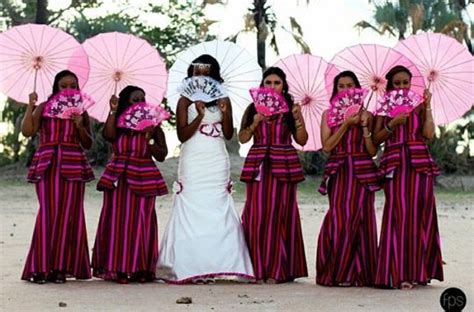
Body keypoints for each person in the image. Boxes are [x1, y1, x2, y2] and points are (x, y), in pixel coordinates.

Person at [157, 54, 254, 283]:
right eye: (197, 72)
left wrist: (226, 111)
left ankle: (221, 263)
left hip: (216, 157)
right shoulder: (184, 100)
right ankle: (190, 264)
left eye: (206, 72)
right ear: (191, 74)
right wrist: (199, 114)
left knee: (217, 204)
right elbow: (182, 135)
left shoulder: (223, 98)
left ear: (213, 75)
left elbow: (229, 134)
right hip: (193, 156)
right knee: (191, 201)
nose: (201, 76)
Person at [21, 70, 95, 284]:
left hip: (74, 163)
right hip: (48, 162)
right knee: (47, 213)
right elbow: (28, 131)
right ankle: (40, 268)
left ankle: (60, 268)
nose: (68, 89)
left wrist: (80, 125)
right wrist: (30, 106)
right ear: (56, 87)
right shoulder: (44, 107)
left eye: (73, 85)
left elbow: (88, 143)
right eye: (64, 85)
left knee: (69, 215)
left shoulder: (81, 111)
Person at [373, 65, 443, 289]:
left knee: (421, 213)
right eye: (397, 83)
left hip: (420, 162)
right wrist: (392, 125)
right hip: (394, 160)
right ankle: (397, 272)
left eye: (406, 83)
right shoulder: (383, 107)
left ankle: (418, 272)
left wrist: (428, 107)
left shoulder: (419, 104)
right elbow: (375, 139)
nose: (402, 87)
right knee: (398, 212)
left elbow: (429, 134)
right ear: (390, 85)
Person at [92, 86, 168, 284]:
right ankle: (117, 268)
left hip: (145, 175)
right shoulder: (118, 124)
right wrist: (113, 110)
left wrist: (149, 137)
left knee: (142, 221)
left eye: (143, 99)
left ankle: (141, 268)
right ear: (127, 102)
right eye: (135, 99)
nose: (140, 103)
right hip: (120, 176)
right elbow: (108, 136)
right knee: (119, 221)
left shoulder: (153, 125)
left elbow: (161, 154)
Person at [238, 66, 308, 283]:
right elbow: (242, 138)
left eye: (277, 83)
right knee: (257, 213)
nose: (272, 86)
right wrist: (255, 122)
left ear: (284, 86)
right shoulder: (252, 108)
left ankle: (279, 270)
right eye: (268, 82)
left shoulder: (290, 109)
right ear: (262, 85)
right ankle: (257, 268)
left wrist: (298, 118)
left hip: (285, 164)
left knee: (281, 212)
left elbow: (302, 140)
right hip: (259, 164)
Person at [316, 71, 379, 287]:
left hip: (363, 171)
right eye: (341, 86)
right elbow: (326, 147)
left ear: (357, 88)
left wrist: (363, 127)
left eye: (349, 85)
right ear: (335, 90)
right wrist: (345, 124)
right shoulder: (328, 114)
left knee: (363, 220)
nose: (345, 90)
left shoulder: (368, 115)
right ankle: (339, 271)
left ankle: (362, 274)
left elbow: (372, 151)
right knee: (340, 218)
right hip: (340, 170)